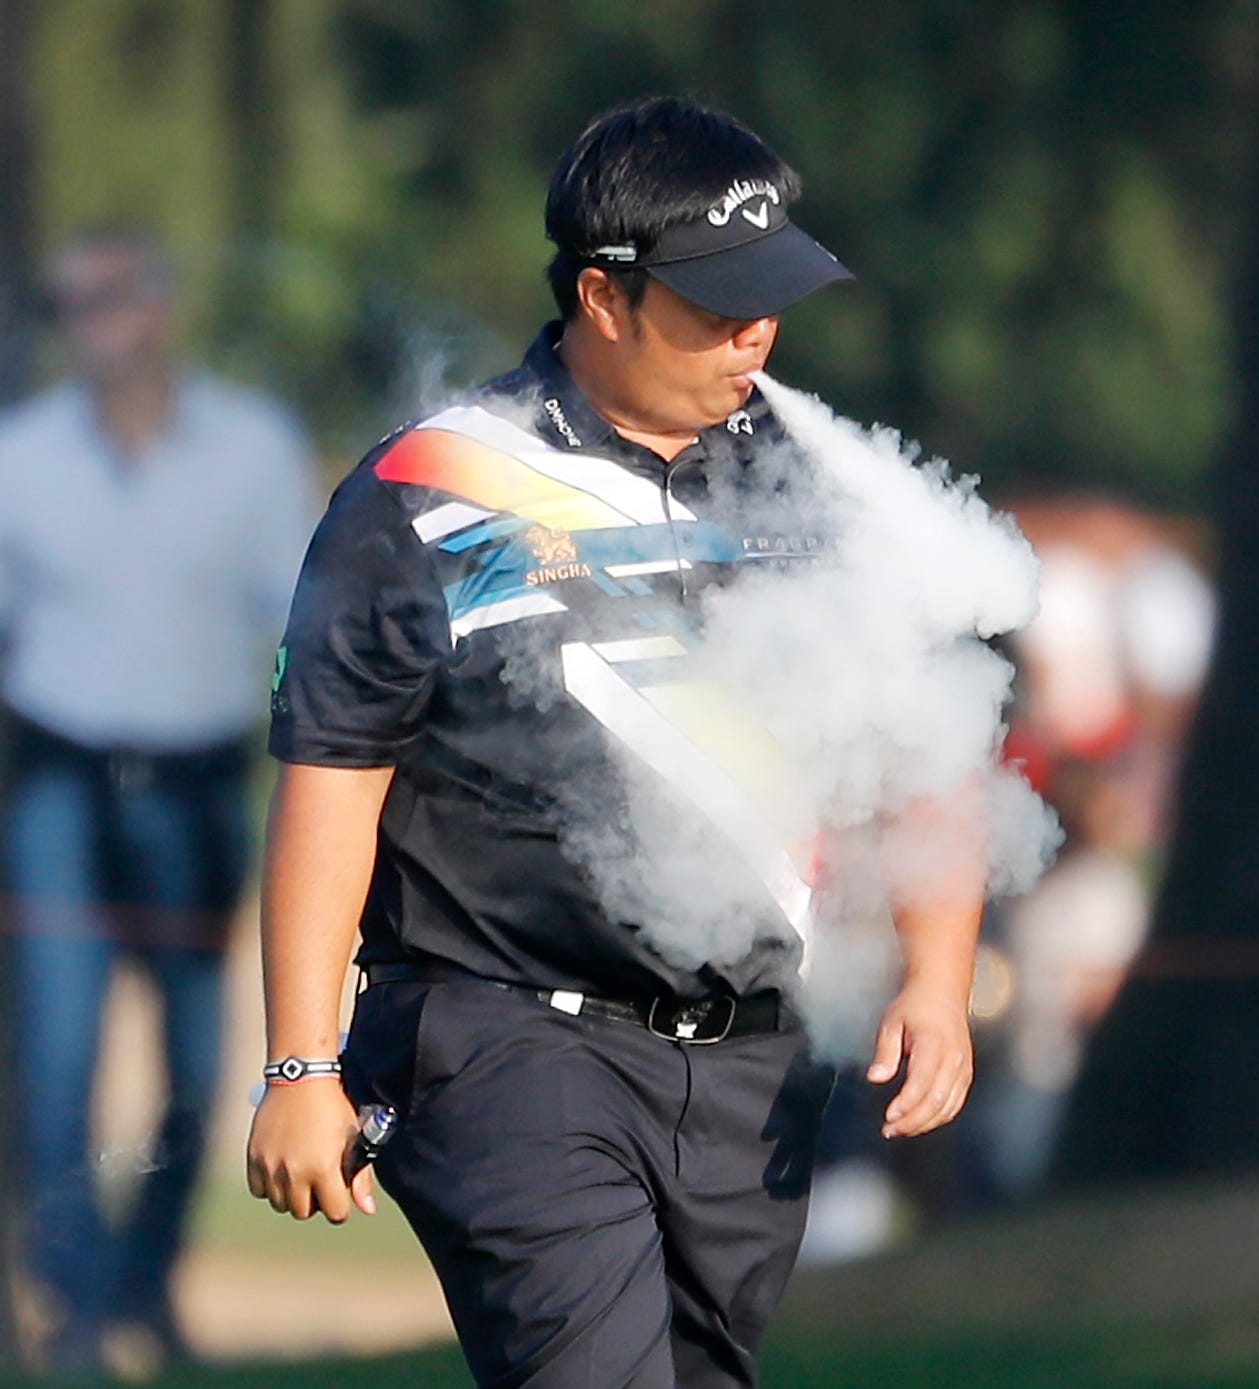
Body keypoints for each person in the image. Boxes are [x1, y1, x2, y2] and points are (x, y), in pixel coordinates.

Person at [246, 97, 986, 1389]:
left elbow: (927, 748)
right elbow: (332, 779)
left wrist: (938, 973)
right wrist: (301, 1062)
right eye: (716, 304)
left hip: (753, 1069)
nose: (755, 332)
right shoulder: (430, 491)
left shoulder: (826, 487)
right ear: (603, 296)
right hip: (506, 1042)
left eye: (771, 298)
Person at [0, 226, 316, 1374]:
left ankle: (149, 1286)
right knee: (59, 1056)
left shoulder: (249, 449)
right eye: (69, 304)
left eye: (110, 298)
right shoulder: (20, 456)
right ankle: (74, 1306)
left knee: (195, 1066)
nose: (91, 323)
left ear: (158, 308)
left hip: (195, 788)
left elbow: (297, 628)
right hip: (59, 788)